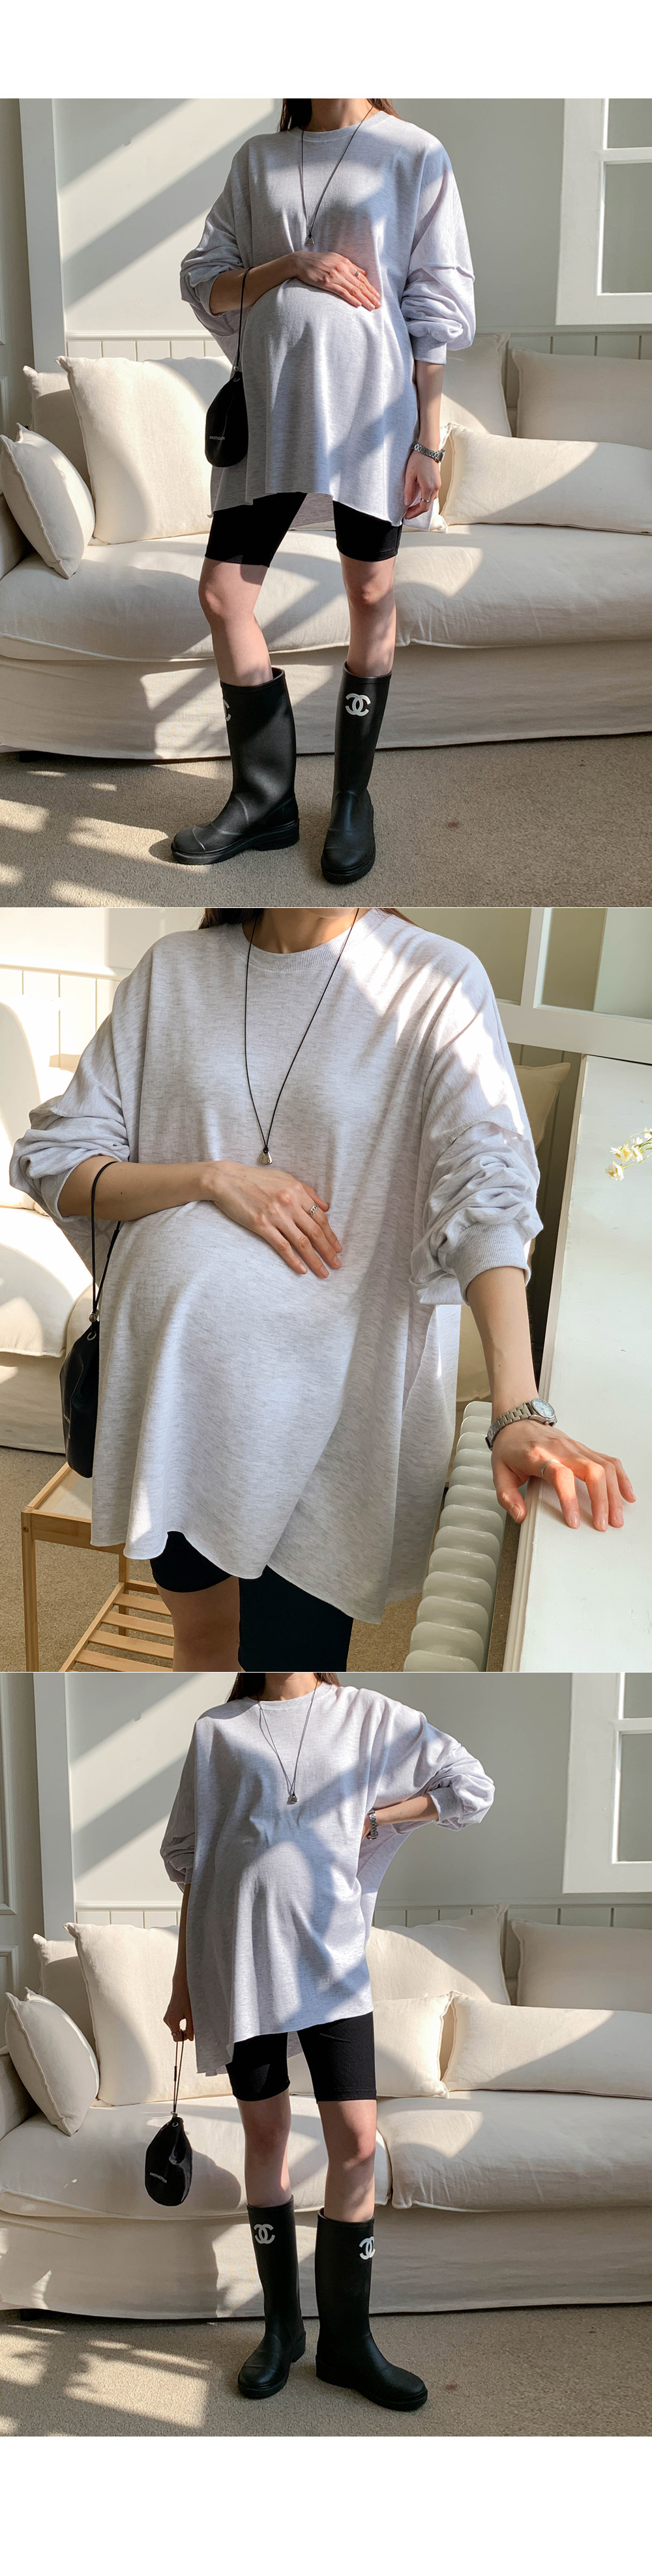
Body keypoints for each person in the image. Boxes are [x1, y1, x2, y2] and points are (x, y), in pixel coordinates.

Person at [11, 908, 633, 1673]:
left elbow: (486, 1194)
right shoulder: (173, 971)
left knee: (294, 1681)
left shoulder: (433, 980)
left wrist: (517, 1407)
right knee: (202, 1650)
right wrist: (211, 1178)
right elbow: (55, 1157)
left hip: (331, 1419)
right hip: (177, 1400)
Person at [161, 1668, 495, 2410]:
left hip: (332, 1966)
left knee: (355, 2143)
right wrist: (183, 1985)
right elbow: (192, 1866)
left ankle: (347, 2342)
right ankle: (282, 2331)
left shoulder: (367, 1715)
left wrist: (377, 1818)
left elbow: (469, 1787)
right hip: (239, 1964)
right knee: (267, 2136)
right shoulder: (218, 1730)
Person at [170, 97, 475, 879]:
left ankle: (349, 800)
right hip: (269, 409)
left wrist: (427, 441)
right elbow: (205, 281)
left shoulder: (413, 152)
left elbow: (432, 307)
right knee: (223, 594)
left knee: (369, 592)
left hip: (371, 414)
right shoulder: (258, 160)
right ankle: (263, 800)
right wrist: (291, 265)